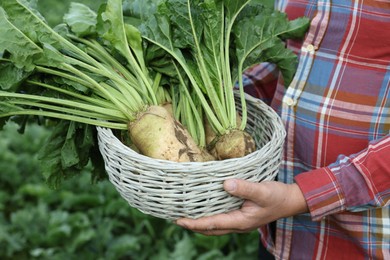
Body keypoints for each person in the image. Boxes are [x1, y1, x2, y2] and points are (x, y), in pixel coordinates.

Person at [175, 0, 390, 259]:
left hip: (362, 244)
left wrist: (298, 197)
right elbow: (291, 63)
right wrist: (205, 99)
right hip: (278, 238)